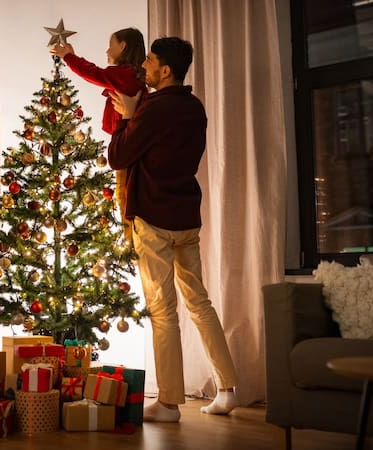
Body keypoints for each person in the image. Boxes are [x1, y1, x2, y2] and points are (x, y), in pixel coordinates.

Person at [107, 37, 239, 422]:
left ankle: (168, 404)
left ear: (165, 70)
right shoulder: (194, 107)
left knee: (163, 312)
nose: (143, 66)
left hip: (154, 219)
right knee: (199, 302)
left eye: (148, 61)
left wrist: (128, 118)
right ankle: (228, 388)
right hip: (186, 217)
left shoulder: (153, 108)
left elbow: (118, 155)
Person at [50, 27, 146, 242]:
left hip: (126, 145)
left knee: (124, 195)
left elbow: (94, 74)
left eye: (111, 45)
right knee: (126, 194)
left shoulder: (125, 74)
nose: (106, 50)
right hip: (130, 142)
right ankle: (131, 240)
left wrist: (69, 57)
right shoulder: (132, 74)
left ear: (123, 46)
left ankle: (131, 243)